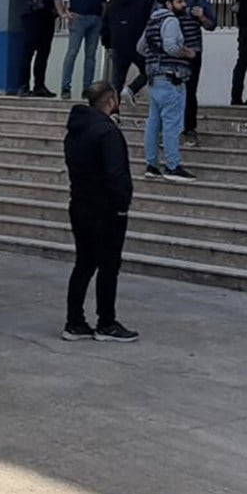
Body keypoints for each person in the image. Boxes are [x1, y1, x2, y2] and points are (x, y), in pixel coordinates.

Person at [62, 81, 138, 343]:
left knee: (84, 263)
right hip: (105, 209)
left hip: (80, 204)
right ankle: (106, 321)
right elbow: (116, 173)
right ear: (110, 101)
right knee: (108, 266)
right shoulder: (107, 133)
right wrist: (122, 203)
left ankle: (74, 321)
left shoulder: (76, 130)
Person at [139, 0, 197, 180]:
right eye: (180, 2)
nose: (184, 5)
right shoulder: (171, 20)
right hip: (171, 78)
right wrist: (187, 53)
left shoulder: (153, 20)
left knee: (153, 123)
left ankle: (151, 164)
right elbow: (170, 46)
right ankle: (172, 166)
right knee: (172, 124)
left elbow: (140, 47)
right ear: (169, 4)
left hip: (155, 79)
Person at [56, 0, 108, 99]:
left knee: (91, 56)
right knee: (72, 52)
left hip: (96, 17)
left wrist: (104, 17)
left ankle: (88, 89)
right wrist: (62, 12)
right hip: (78, 16)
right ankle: (65, 87)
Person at [170, 0, 214, 145]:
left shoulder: (198, 0)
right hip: (171, 53)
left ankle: (189, 129)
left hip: (193, 52)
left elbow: (212, 25)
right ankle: (169, 130)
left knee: (189, 91)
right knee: (170, 92)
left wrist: (202, 18)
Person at [101, 0, 153, 104]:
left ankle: (113, 111)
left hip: (118, 44)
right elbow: (152, 21)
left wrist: (107, 44)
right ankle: (131, 89)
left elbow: (105, 23)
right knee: (150, 71)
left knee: (117, 79)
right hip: (139, 44)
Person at [16, 0, 58, 97]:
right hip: (31, 16)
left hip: (46, 16)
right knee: (28, 52)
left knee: (44, 52)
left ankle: (39, 85)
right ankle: (23, 85)